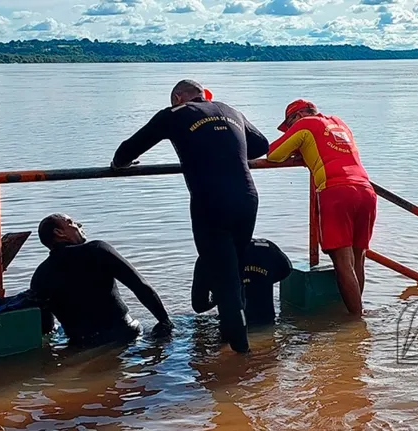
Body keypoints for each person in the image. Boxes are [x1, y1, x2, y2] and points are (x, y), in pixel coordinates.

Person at [111, 79, 270, 353]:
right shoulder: (230, 110)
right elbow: (261, 145)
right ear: (204, 96)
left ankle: (239, 361)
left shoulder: (173, 115)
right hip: (247, 199)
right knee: (234, 271)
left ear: (177, 97)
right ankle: (229, 341)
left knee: (227, 283)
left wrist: (118, 165)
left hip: (211, 203)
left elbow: (128, 150)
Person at [266, 99, 376, 317]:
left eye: (289, 126)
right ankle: (358, 318)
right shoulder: (339, 123)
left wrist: (296, 149)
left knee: (342, 263)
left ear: (296, 117)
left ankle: (356, 322)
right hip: (366, 191)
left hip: (336, 192)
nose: (289, 131)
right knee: (358, 259)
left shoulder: (305, 125)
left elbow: (274, 154)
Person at [27, 213, 174, 346]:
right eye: (70, 222)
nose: (79, 225)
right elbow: (140, 287)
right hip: (124, 335)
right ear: (59, 233)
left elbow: (46, 328)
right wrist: (164, 321)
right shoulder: (97, 250)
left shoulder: (39, 277)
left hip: (80, 344)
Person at [191, 237, 292, 326]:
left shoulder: (208, 257)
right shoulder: (267, 247)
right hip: (266, 322)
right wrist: (261, 281)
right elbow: (287, 269)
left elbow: (199, 306)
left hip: (232, 326)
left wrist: (216, 297)